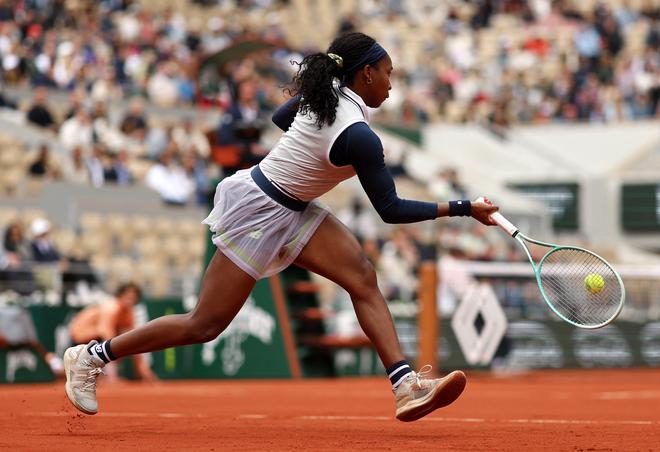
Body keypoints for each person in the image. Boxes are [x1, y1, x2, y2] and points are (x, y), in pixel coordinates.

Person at [63, 32, 499, 421]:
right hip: (259, 208)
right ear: (365, 74)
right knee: (204, 324)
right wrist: (463, 207)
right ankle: (91, 356)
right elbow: (391, 209)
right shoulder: (360, 137)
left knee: (363, 277)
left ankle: (404, 386)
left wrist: (306, 153)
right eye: (388, 73)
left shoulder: (326, 92)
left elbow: (279, 119)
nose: (391, 83)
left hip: (296, 207)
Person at [67, 283, 156, 382]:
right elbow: (106, 335)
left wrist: (144, 371)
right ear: (120, 295)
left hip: (96, 341)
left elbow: (134, 341)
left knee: (125, 341)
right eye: (128, 297)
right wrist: (113, 376)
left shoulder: (128, 312)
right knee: (115, 342)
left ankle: (100, 375)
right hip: (81, 338)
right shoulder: (111, 308)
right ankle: (108, 376)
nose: (130, 300)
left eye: (133, 298)